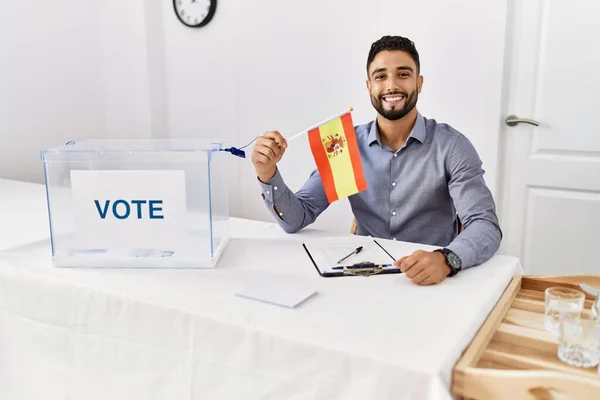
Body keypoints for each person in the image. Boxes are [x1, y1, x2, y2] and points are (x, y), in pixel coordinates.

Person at [250, 35, 502, 286]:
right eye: (381, 76)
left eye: (403, 74)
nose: (392, 85)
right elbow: (297, 219)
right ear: (369, 86)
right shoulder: (344, 146)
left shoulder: (452, 146)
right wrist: (267, 172)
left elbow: (484, 224)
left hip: (432, 280)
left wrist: (447, 259)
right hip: (364, 275)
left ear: (419, 82)